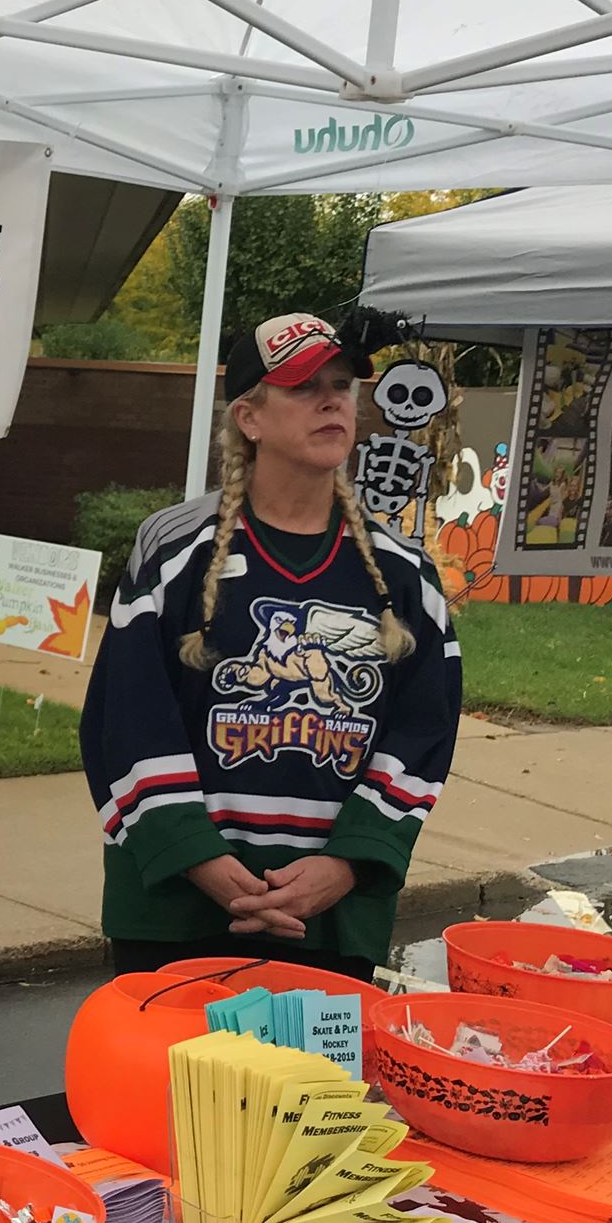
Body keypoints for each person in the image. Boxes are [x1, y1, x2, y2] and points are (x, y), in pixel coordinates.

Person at [80, 312, 461, 980]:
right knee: (167, 1087)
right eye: (304, 387)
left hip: (331, 921)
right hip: (175, 912)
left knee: (310, 1091)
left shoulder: (405, 574)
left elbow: (424, 733)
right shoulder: (174, 553)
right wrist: (201, 860)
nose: (332, 401)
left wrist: (347, 864)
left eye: (342, 386)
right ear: (250, 419)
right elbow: (126, 721)